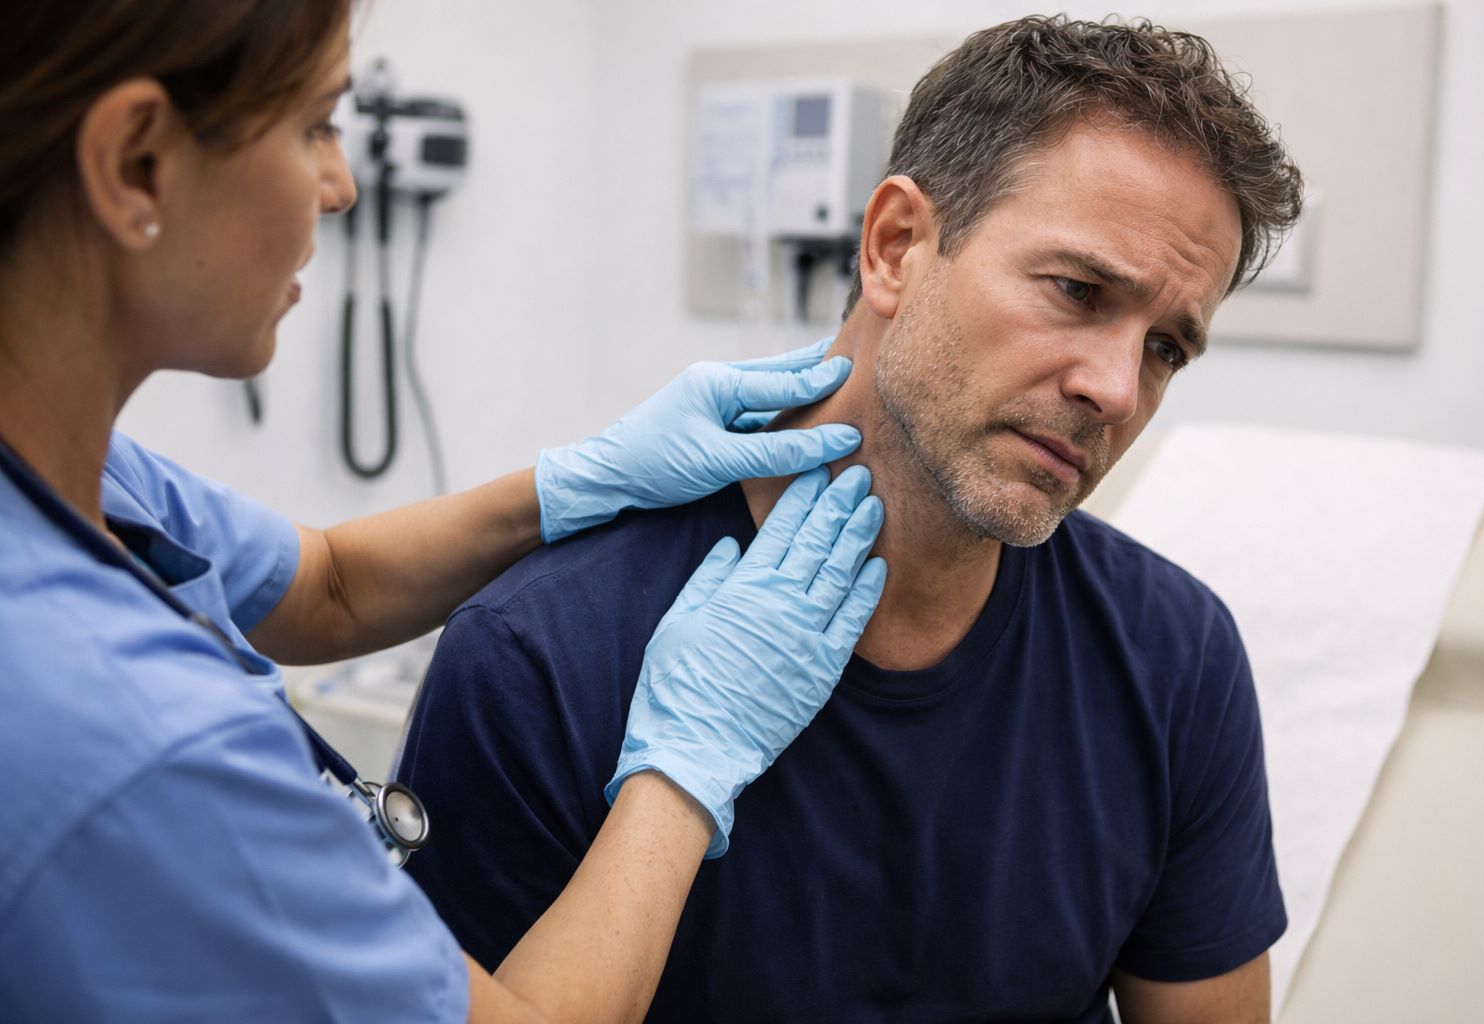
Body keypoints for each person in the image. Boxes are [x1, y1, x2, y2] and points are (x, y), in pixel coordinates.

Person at [398, 14, 1306, 1023]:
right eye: (1078, 289)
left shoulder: (1174, 657)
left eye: (1167, 347)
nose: (1118, 390)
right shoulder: (540, 658)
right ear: (896, 247)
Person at [0, 3, 889, 1022]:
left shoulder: (91, 481)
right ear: (136, 165)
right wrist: (688, 767)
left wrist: (575, 480)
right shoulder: (142, 749)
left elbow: (327, 585)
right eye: (316, 126)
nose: (341, 186)